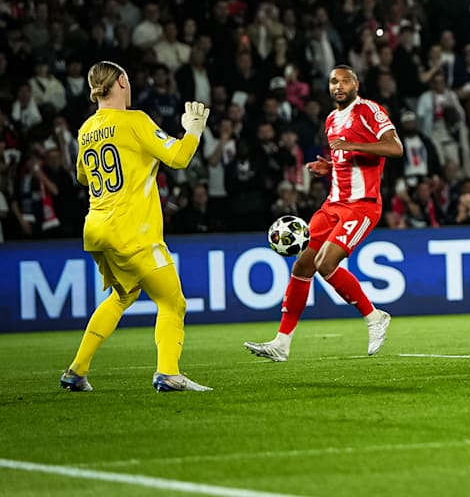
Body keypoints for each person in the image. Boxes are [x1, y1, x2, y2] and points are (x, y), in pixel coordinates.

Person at [60, 61, 212, 392]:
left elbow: (83, 176)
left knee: (123, 295)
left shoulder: (86, 129)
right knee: (173, 304)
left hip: (97, 229)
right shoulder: (135, 121)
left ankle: (76, 371)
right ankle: (168, 373)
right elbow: (179, 158)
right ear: (122, 82)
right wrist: (194, 129)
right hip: (133, 231)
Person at [244, 66, 403, 361]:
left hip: (362, 204)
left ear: (356, 84)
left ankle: (374, 317)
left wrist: (353, 144)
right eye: (334, 81)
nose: (339, 86)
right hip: (333, 204)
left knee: (325, 262)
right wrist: (329, 168)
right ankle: (281, 343)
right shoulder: (331, 119)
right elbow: (347, 160)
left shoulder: (368, 110)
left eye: (345, 81)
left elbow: (395, 148)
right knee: (302, 267)